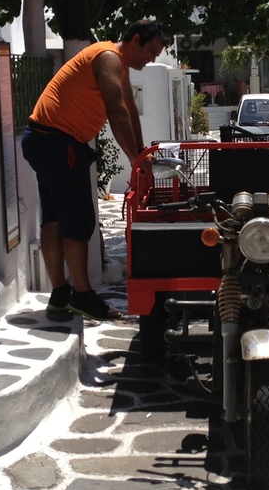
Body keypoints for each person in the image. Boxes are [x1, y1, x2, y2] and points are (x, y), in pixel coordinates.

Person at [21, 19, 168, 321]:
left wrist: (140, 153)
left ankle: (60, 295)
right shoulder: (108, 58)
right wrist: (137, 161)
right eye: (151, 51)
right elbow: (116, 111)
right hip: (59, 142)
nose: (152, 59)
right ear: (136, 39)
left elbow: (128, 109)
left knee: (54, 219)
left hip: (42, 138)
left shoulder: (118, 64)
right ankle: (82, 295)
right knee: (79, 220)